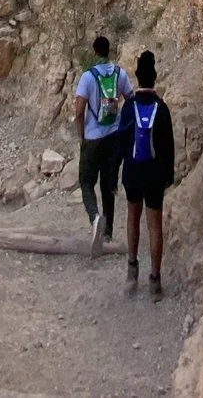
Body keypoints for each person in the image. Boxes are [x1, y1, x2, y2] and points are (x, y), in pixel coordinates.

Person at [116, 49, 175, 300]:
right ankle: (155, 280)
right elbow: (168, 147)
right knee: (155, 225)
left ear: (138, 77)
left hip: (132, 170)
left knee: (132, 216)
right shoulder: (162, 109)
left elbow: (121, 140)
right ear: (155, 77)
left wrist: (115, 170)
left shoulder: (129, 107)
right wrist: (168, 176)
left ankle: (132, 270)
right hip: (154, 174)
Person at [74, 35, 133, 255]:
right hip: (114, 136)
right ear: (109, 50)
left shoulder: (87, 77)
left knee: (86, 181)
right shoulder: (120, 74)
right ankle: (107, 232)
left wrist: (81, 136)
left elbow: (79, 110)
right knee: (108, 184)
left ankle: (95, 217)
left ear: (94, 51)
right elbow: (130, 97)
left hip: (92, 137)